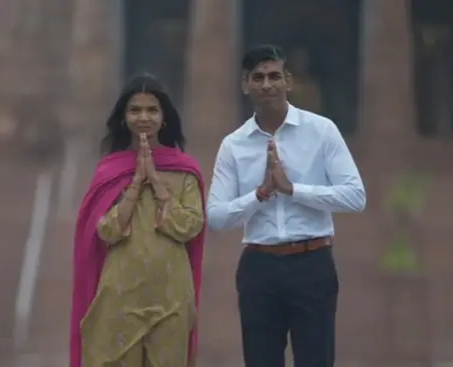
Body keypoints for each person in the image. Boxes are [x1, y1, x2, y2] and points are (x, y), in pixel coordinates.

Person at [206, 44, 366, 367]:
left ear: (289, 81)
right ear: (245, 84)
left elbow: (355, 196)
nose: (267, 85)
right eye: (259, 77)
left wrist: (294, 190)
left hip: (312, 261)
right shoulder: (233, 145)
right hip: (259, 265)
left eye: (275, 76)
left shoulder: (322, 132)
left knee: (315, 359)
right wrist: (260, 194)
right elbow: (216, 216)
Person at [70, 74, 206, 367]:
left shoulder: (184, 171)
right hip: (120, 296)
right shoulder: (110, 171)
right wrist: (135, 183)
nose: (143, 117)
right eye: (135, 110)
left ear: (164, 117)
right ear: (123, 117)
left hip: (171, 297)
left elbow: (191, 226)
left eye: (152, 110)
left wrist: (156, 181)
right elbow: (106, 231)